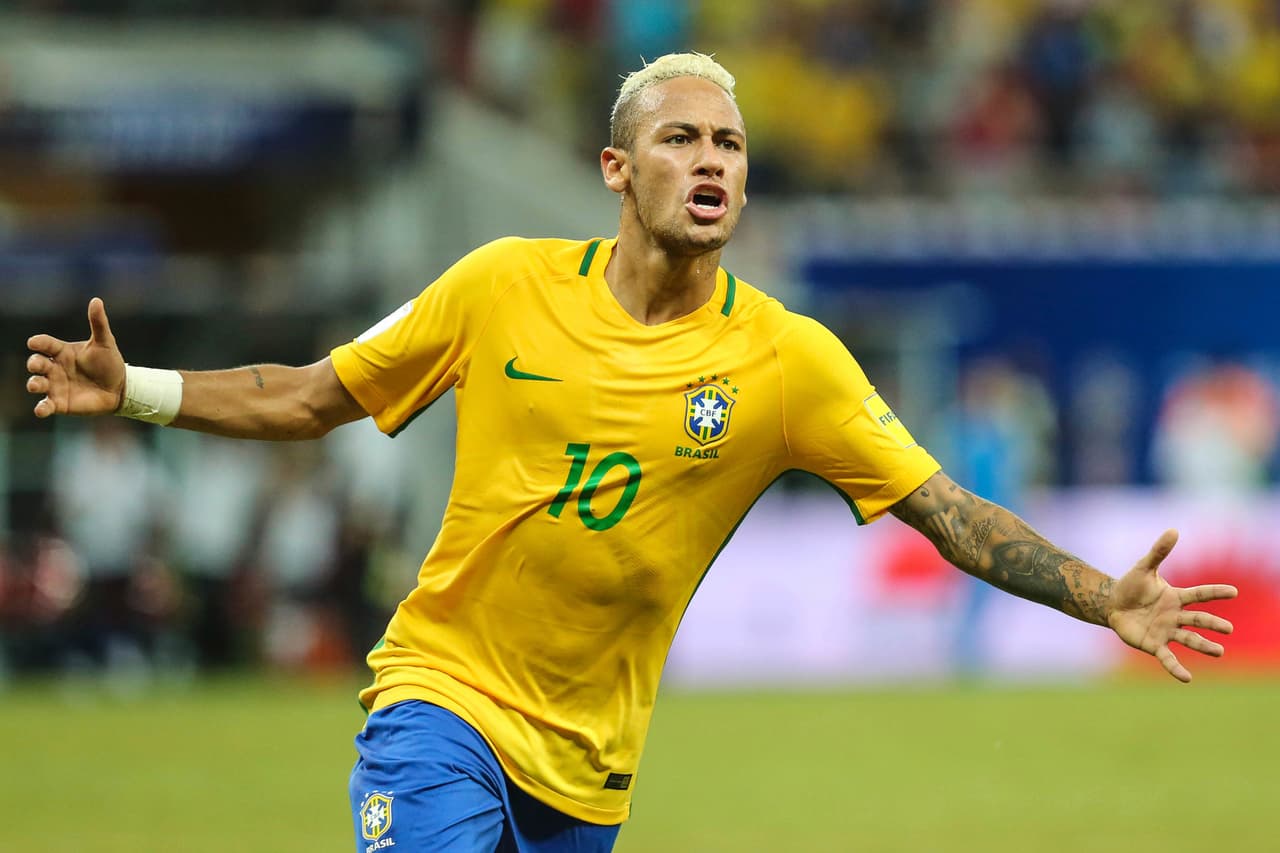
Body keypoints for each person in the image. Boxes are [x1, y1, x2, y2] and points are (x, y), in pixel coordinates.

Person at [24, 53, 1237, 853]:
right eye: (680, 140)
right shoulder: (497, 286)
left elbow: (945, 509)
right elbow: (304, 397)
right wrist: (138, 389)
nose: (711, 161)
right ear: (615, 168)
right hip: (440, 696)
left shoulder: (787, 361)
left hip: (590, 767)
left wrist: (1098, 596)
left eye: (730, 144)